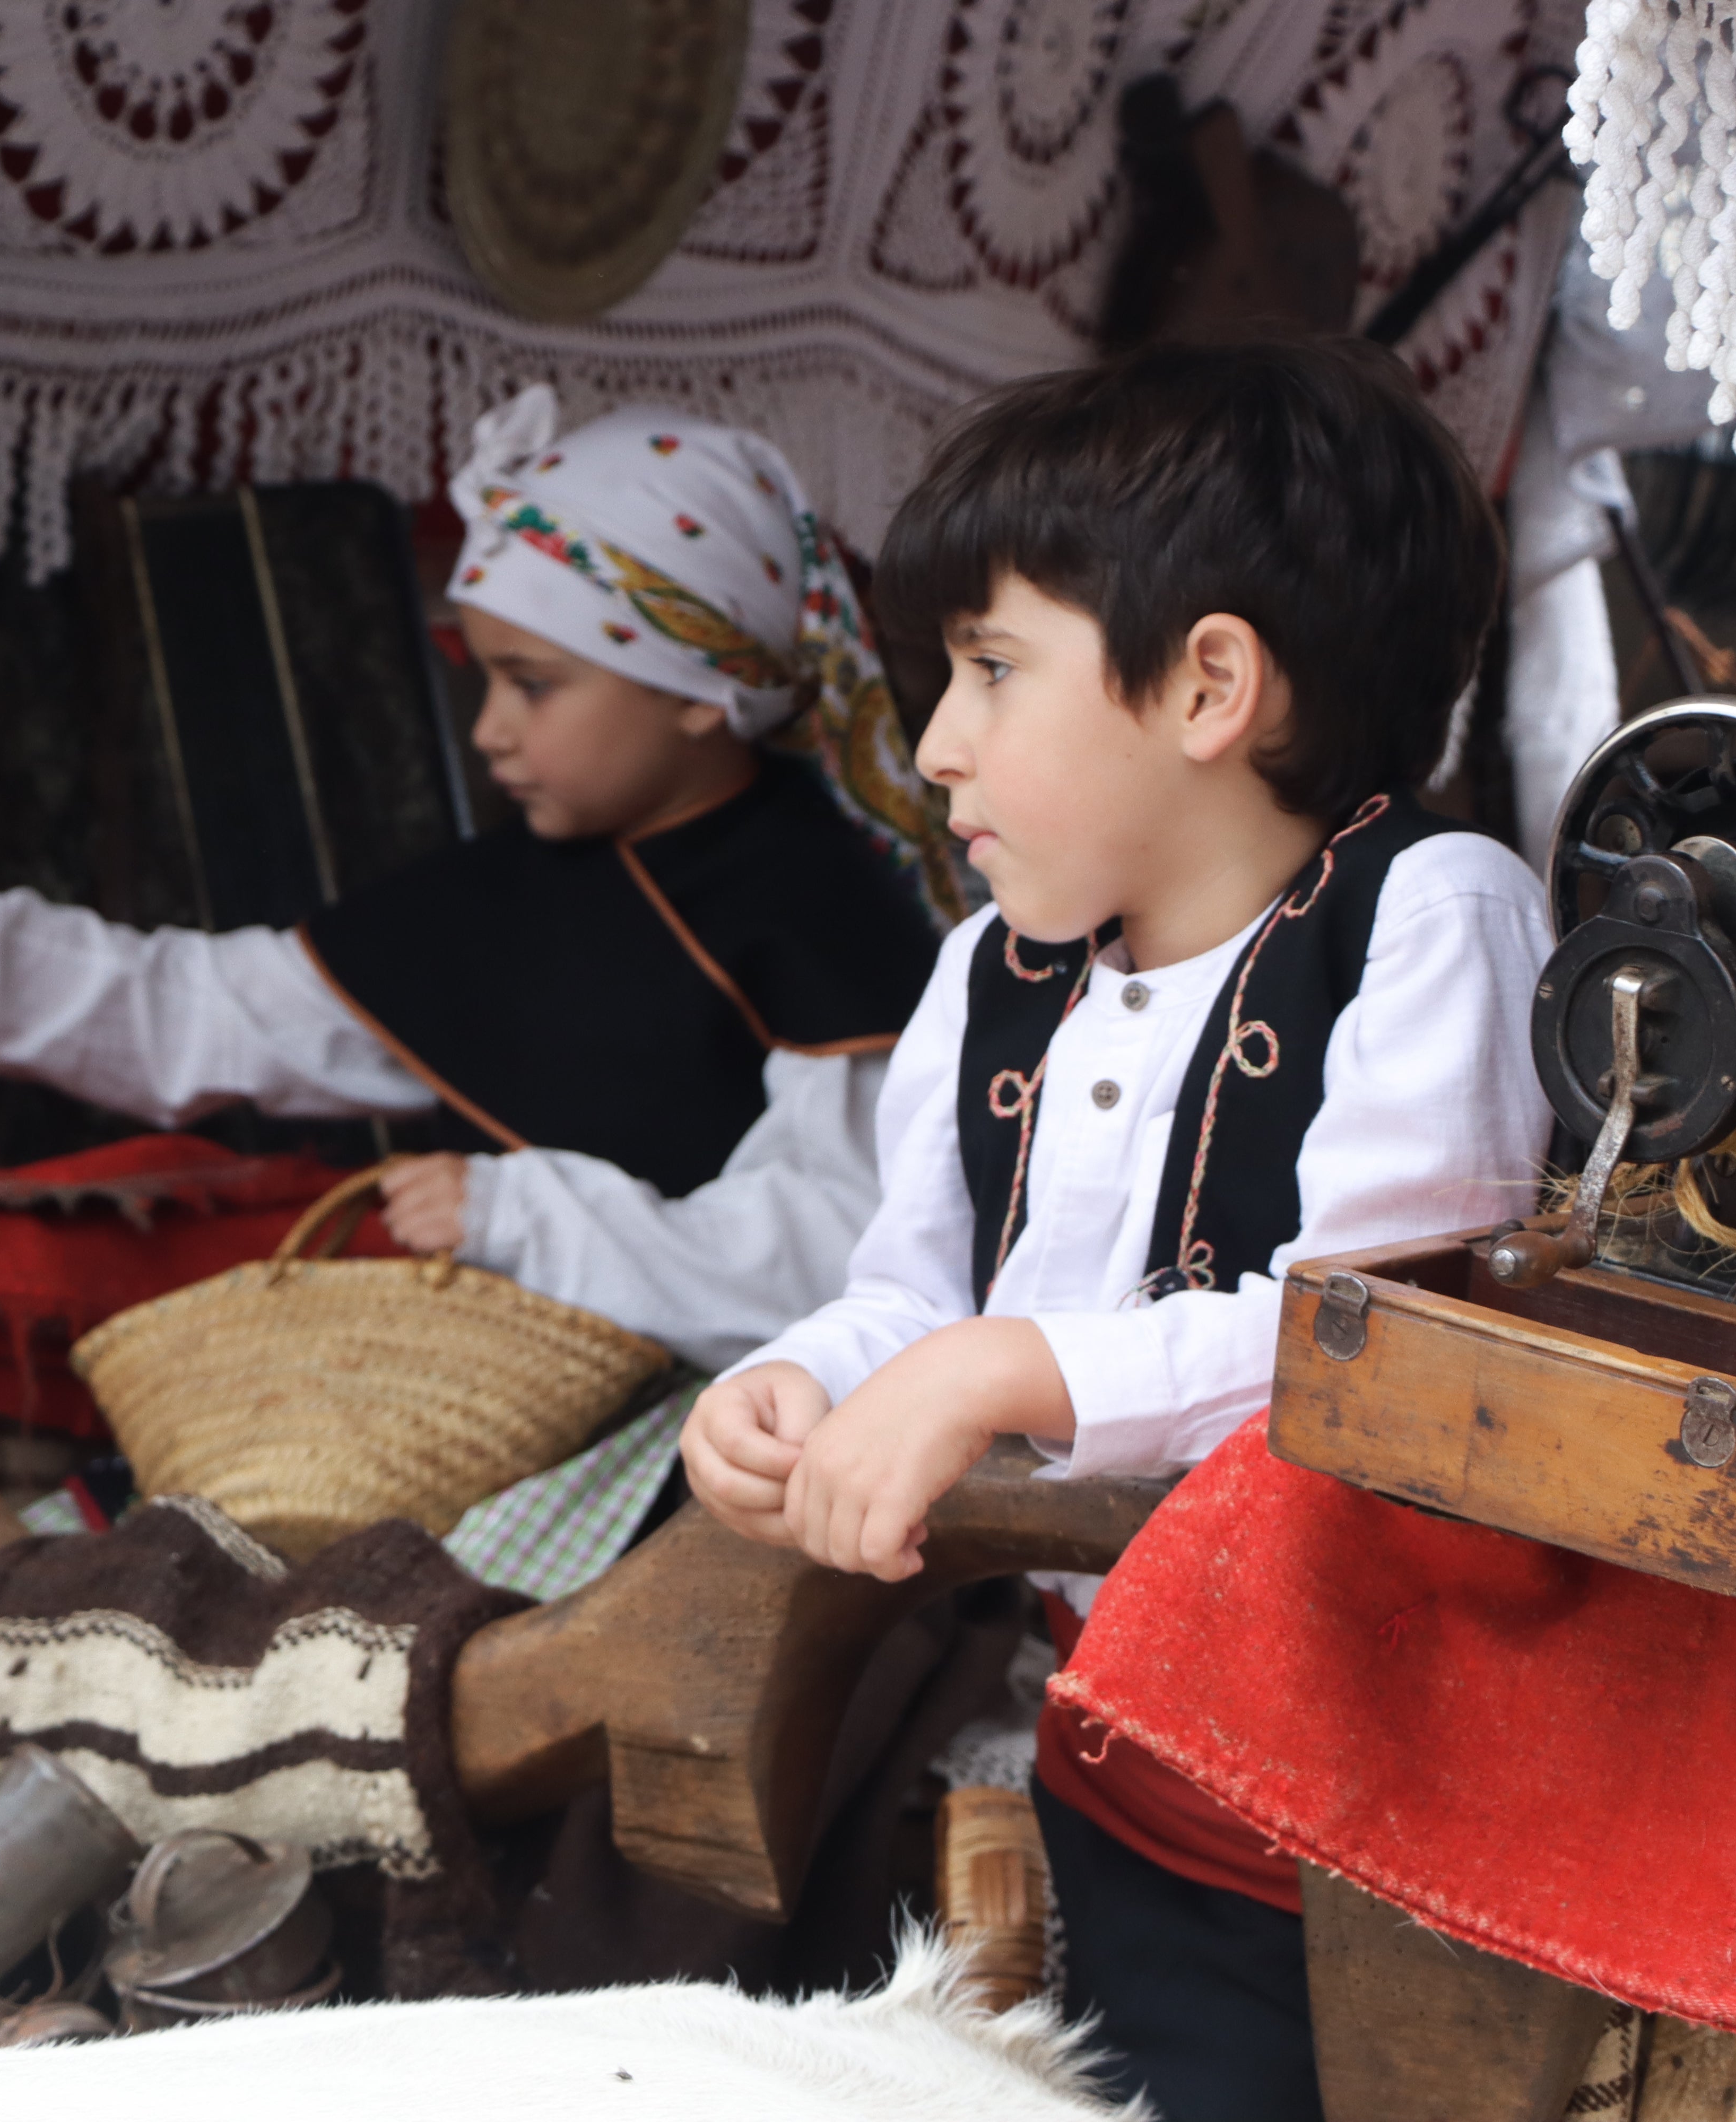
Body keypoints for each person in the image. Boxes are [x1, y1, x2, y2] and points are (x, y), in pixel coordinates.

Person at [679, 338, 1554, 2118]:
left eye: (991, 669)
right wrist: (798, 1380)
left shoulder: (1426, 919)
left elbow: (1378, 1355)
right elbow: (914, 1293)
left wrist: (1007, 1372)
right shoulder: (989, 978)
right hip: (1122, 1736)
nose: (933, 746)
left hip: (1369, 1788)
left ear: (1209, 685)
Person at [0, 387, 949, 1385]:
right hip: (512, 1391)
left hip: (739, 1463)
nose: (489, 732)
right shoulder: (513, 892)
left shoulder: (829, 912)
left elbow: (842, 1256)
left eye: (533, 683)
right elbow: (193, 1011)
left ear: (699, 689)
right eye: (482, 679)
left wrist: (520, 1217)